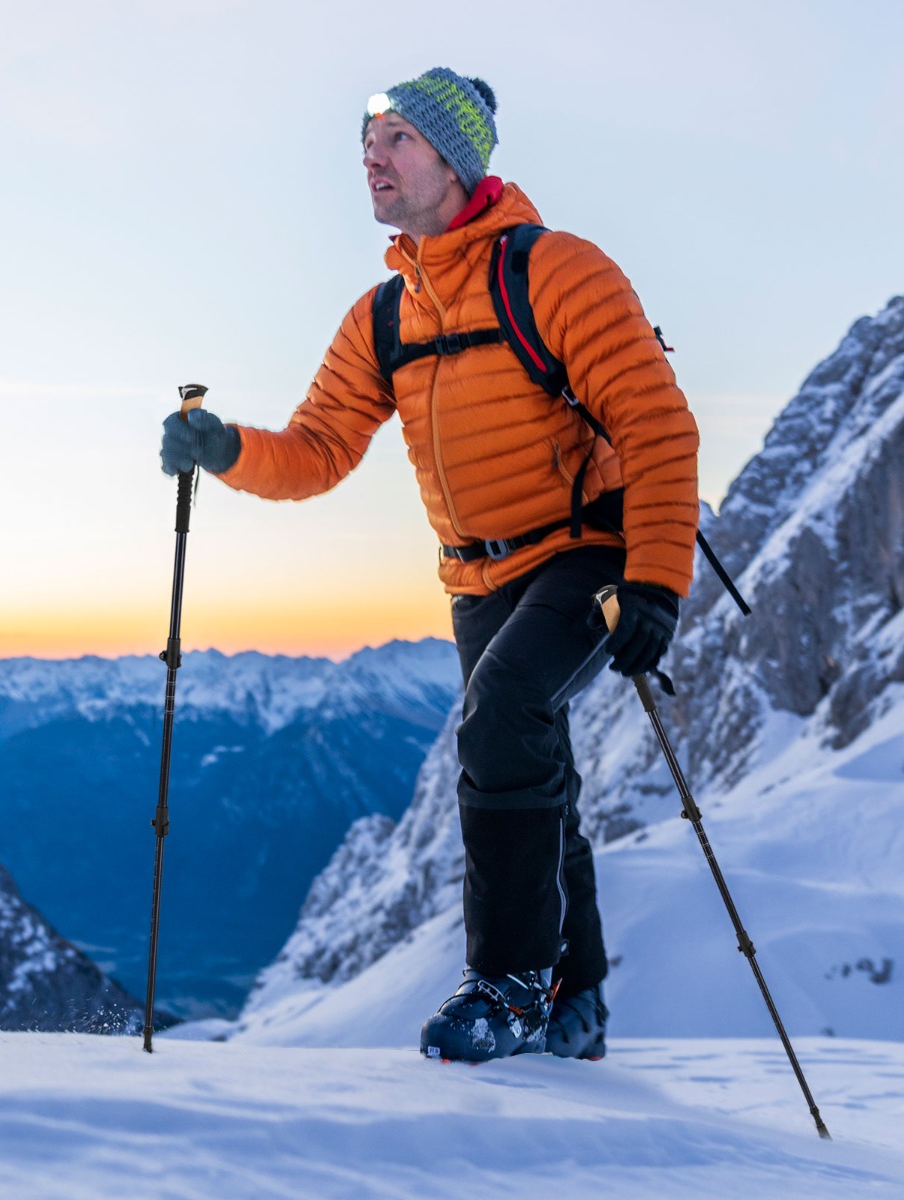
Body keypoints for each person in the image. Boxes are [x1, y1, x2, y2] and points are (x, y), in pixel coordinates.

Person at [160, 67, 699, 1063]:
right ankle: (577, 1000)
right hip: (476, 581)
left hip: (586, 551)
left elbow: (654, 424)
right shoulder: (383, 316)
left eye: (397, 138)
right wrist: (224, 448)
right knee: (536, 770)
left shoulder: (558, 272)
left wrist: (658, 583)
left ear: (454, 161)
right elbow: (319, 449)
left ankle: (507, 985)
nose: (372, 157)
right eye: (367, 144)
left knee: (502, 717)